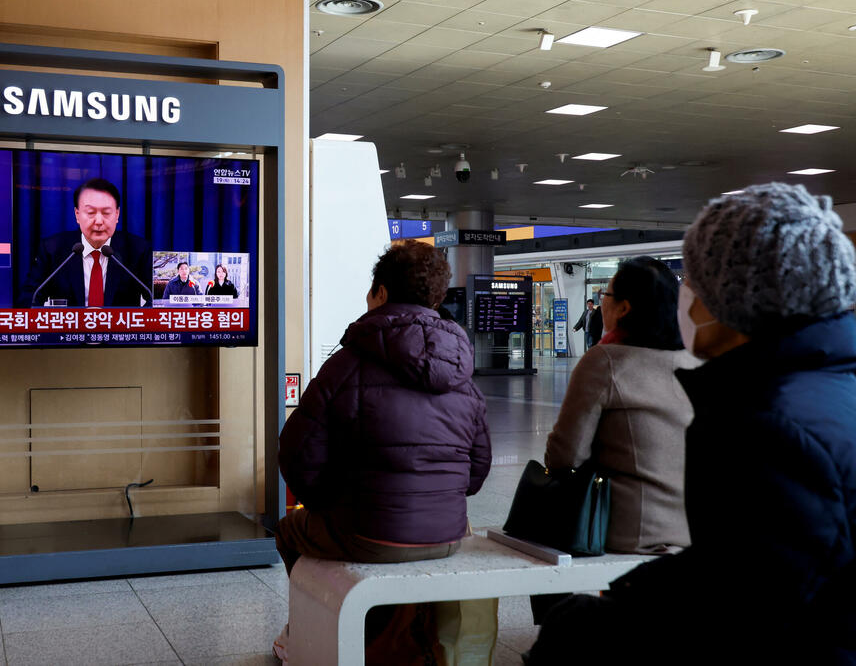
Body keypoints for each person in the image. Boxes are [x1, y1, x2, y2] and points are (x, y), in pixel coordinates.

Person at [527, 183, 856, 665]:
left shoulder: (772, 426)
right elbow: (745, 566)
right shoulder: (821, 389)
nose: (684, 295)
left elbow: (751, 613)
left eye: (693, 280)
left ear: (730, 298)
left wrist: (588, 626)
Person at [273, 242, 491, 662]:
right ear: (436, 298)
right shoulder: (464, 374)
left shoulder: (346, 363)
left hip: (364, 530)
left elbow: (296, 453)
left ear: (380, 294)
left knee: (290, 533)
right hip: (448, 535)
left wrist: (325, 504)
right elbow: (478, 470)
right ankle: (402, 639)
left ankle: (302, 635)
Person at [528, 257, 698, 626]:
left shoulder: (606, 360)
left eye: (605, 293)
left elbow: (565, 455)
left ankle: (552, 630)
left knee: (538, 521)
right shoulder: (694, 361)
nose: (601, 300)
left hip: (630, 529)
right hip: (695, 526)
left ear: (624, 307)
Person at [18, 178, 152, 307]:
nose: (99, 221)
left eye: (106, 213)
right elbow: (29, 299)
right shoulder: (52, 249)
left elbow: (156, 301)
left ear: (117, 214)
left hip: (120, 329)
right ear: (77, 214)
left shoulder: (138, 250)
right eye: (91, 212)